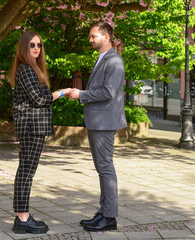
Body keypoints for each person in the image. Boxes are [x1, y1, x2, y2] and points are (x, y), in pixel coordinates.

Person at [66, 22, 127, 232]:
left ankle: (109, 217)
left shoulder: (114, 61)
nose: (90, 40)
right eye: (91, 36)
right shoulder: (103, 59)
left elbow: (108, 92)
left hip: (104, 123)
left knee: (105, 168)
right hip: (98, 122)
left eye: (93, 36)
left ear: (106, 37)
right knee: (103, 169)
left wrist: (80, 95)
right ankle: (104, 212)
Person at [8, 31, 70, 234]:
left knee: (26, 171)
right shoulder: (26, 70)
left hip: (33, 127)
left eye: (39, 45)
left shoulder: (32, 69)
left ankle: (22, 217)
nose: (36, 48)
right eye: (32, 45)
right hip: (31, 127)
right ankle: (23, 218)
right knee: (26, 172)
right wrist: (61, 92)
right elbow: (39, 99)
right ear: (24, 47)